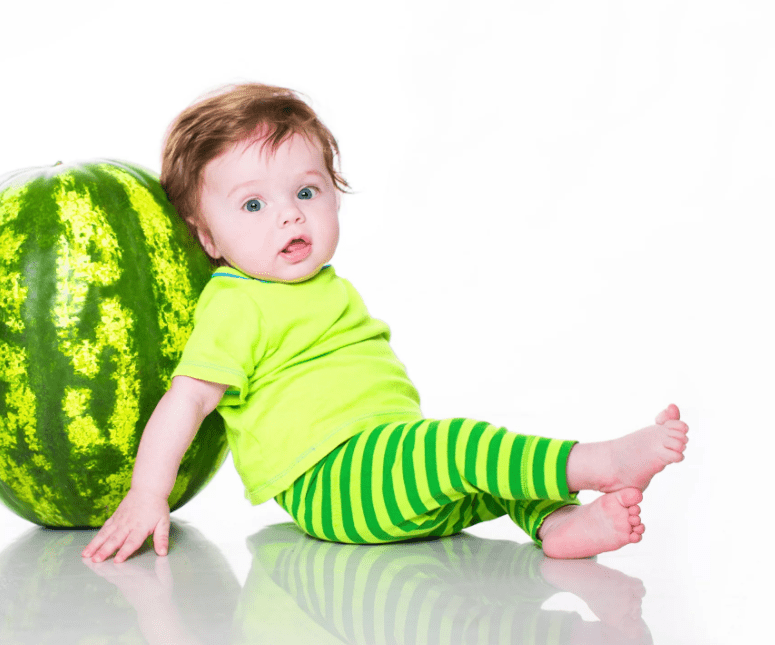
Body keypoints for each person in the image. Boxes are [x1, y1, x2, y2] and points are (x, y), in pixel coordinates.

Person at [82, 83, 689, 564]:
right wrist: (147, 494)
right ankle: (597, 463)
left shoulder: (324, 285)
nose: (289, 216)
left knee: (491, 473)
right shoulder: (236, 302)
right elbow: (188, 400)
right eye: (254, 204)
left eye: (307, 192)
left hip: (391, 461)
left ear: (335, 194)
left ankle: (557, 522)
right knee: (464, 447)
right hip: (334, 480)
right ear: (208, 238)